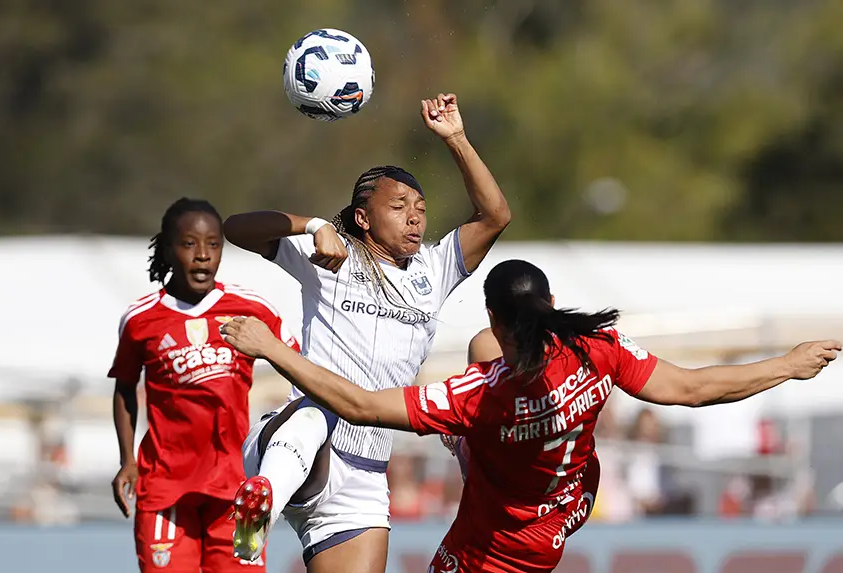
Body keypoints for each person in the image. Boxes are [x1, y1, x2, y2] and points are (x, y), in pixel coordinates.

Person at [218, 258, 840, 573]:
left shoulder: (477, 397)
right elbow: (694, 389)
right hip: (564, 506)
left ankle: (272, 490)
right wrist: (785, 364)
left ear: (496, 314)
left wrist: (272, 349)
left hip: (497, 549)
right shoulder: (597, 345)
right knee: (480, 367)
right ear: (550, 305)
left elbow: (359, 404)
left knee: (335, 414)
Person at [222, 92, 510, 571]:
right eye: (398, 206)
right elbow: (235, 228)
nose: (415, 216)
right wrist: (313, 224)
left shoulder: (434, 270)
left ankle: (261, 512)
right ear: (363, 218)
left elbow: (495, 215)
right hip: (301, 447)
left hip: (366, 473)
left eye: (420, 207)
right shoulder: (330, 256)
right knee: (316, 415)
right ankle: (261, 506)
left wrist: (456, 138)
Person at [109, 198, 300, 573]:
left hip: (241, 491)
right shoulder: (141, 319)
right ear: (168, 248)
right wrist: (127, 460)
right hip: (164, 488)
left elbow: (300, 369)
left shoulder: (252, 308)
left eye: (213, 244)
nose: (202, 255)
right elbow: (125, 387)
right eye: (189, 244)